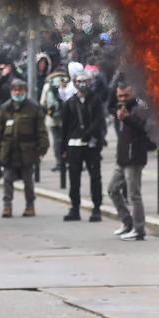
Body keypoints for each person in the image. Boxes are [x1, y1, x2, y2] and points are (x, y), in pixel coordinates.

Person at [0, 78, 48, 218]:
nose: (17, 92)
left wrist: (42, 148)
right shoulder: (5, 108)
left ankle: (30, 206)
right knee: (8, 179)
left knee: (28, 181)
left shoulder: (33, 108)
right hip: (9, 150)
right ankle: (7, 206)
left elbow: (41, 130)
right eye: (15, 90)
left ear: (25, 91)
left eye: (20, 90)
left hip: (27, 150)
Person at [109, 83, 154, 240]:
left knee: (134, 194)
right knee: (112, 189)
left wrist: (127, 119)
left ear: (132, 93)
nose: (122, 99)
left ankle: (138, 228)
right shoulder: (120, 107)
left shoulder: (140, 108)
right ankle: (127, 222)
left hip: (134, 157)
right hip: (122, 157)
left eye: (125, 96)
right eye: (120, 96)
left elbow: (144, 128)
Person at [61, 71, 107, 222]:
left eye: (85, 81)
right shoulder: (70, 103)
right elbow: (65, 127)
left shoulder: (96, 100)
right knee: (74, 178)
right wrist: (63, 148)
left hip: (91, 144)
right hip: (74, 144)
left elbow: (99, 120)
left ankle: (96, 208)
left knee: (95, 177)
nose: (82, 84)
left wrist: (90, 134)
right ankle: (75, 207)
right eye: (79, 81)